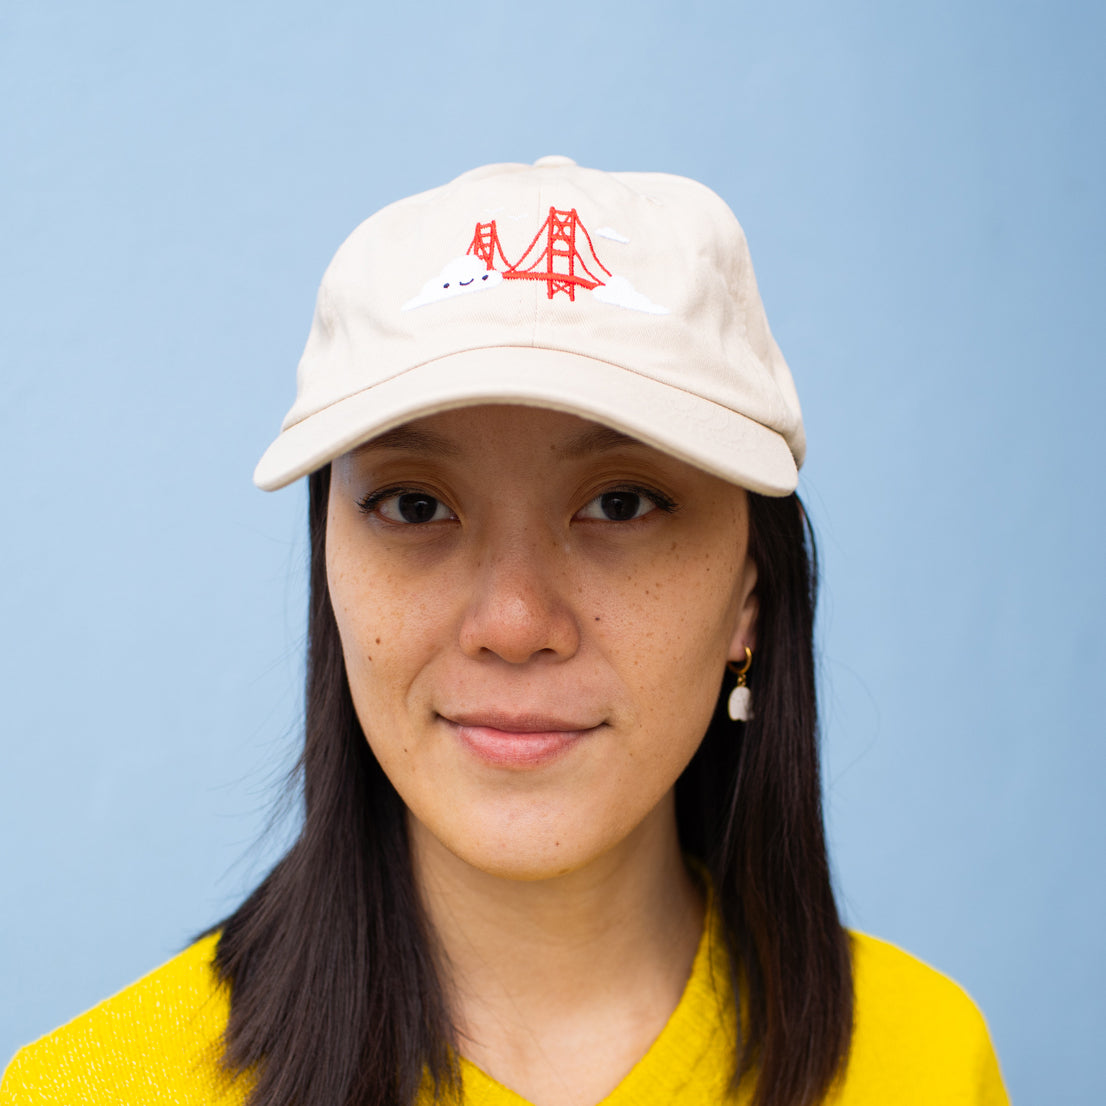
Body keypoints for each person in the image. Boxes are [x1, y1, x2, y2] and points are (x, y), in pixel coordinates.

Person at [0, 156, 1009, 1106]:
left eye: (620, 502)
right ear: (330, 570)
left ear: (751, 589)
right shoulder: (91, 1084)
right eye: (411, 505)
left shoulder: (921, 1055)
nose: (514, 623)